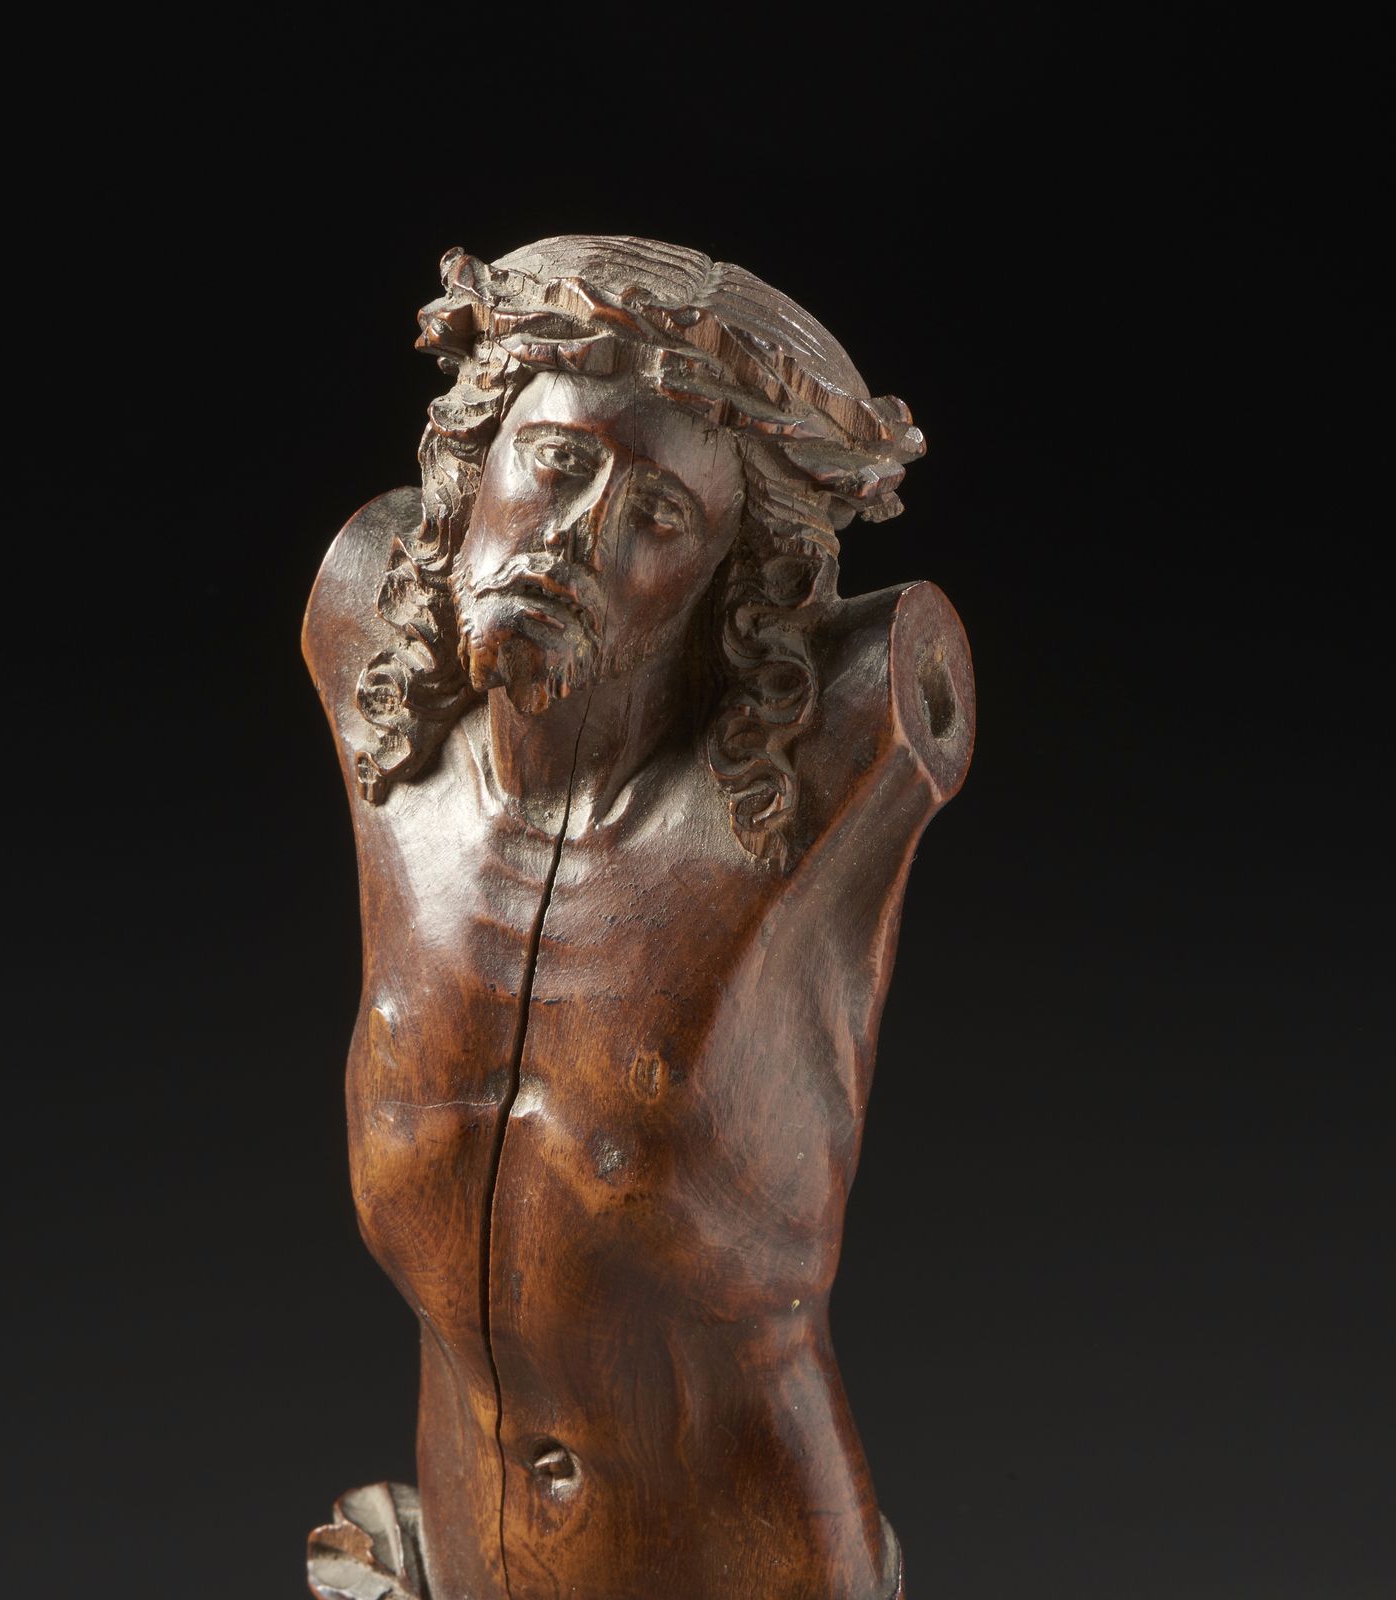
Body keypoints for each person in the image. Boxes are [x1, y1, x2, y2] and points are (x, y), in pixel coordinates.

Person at [304, 235, 973, 1600]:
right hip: (470, 1551)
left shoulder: (819, 776)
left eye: (661, 515)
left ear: (726, 585)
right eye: (558, 461)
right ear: (474, 464)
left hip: (748, 1559)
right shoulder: (379, 699)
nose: (577, 533)